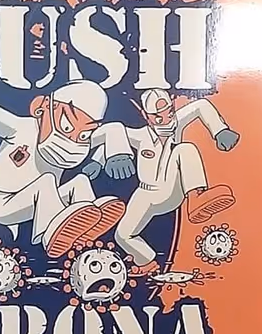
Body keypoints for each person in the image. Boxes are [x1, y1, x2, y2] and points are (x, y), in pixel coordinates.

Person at [0, 80, 125, 258]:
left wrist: (117, 152)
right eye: (67, 126)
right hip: (0, 202)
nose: (74, 140)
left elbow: (113, 129)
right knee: (47, 181)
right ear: (41, 108)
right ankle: (50, 234)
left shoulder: (78, 144)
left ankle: (86, 223)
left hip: (40, 202)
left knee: (80, 182)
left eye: (84, 135)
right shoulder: (20, 128)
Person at [85, 88, 238, 274]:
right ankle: (146, 261)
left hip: (173, 188)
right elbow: (111, 133)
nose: (166, 121)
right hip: (145, 193)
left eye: (169, 113)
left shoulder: (178, 122)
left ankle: (196, 197)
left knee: (185, 149)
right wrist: (98, 161)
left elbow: (201, 106)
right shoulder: (140, 136)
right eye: (158, 118)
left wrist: (219, 130)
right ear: (146, 115)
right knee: (123, 235)